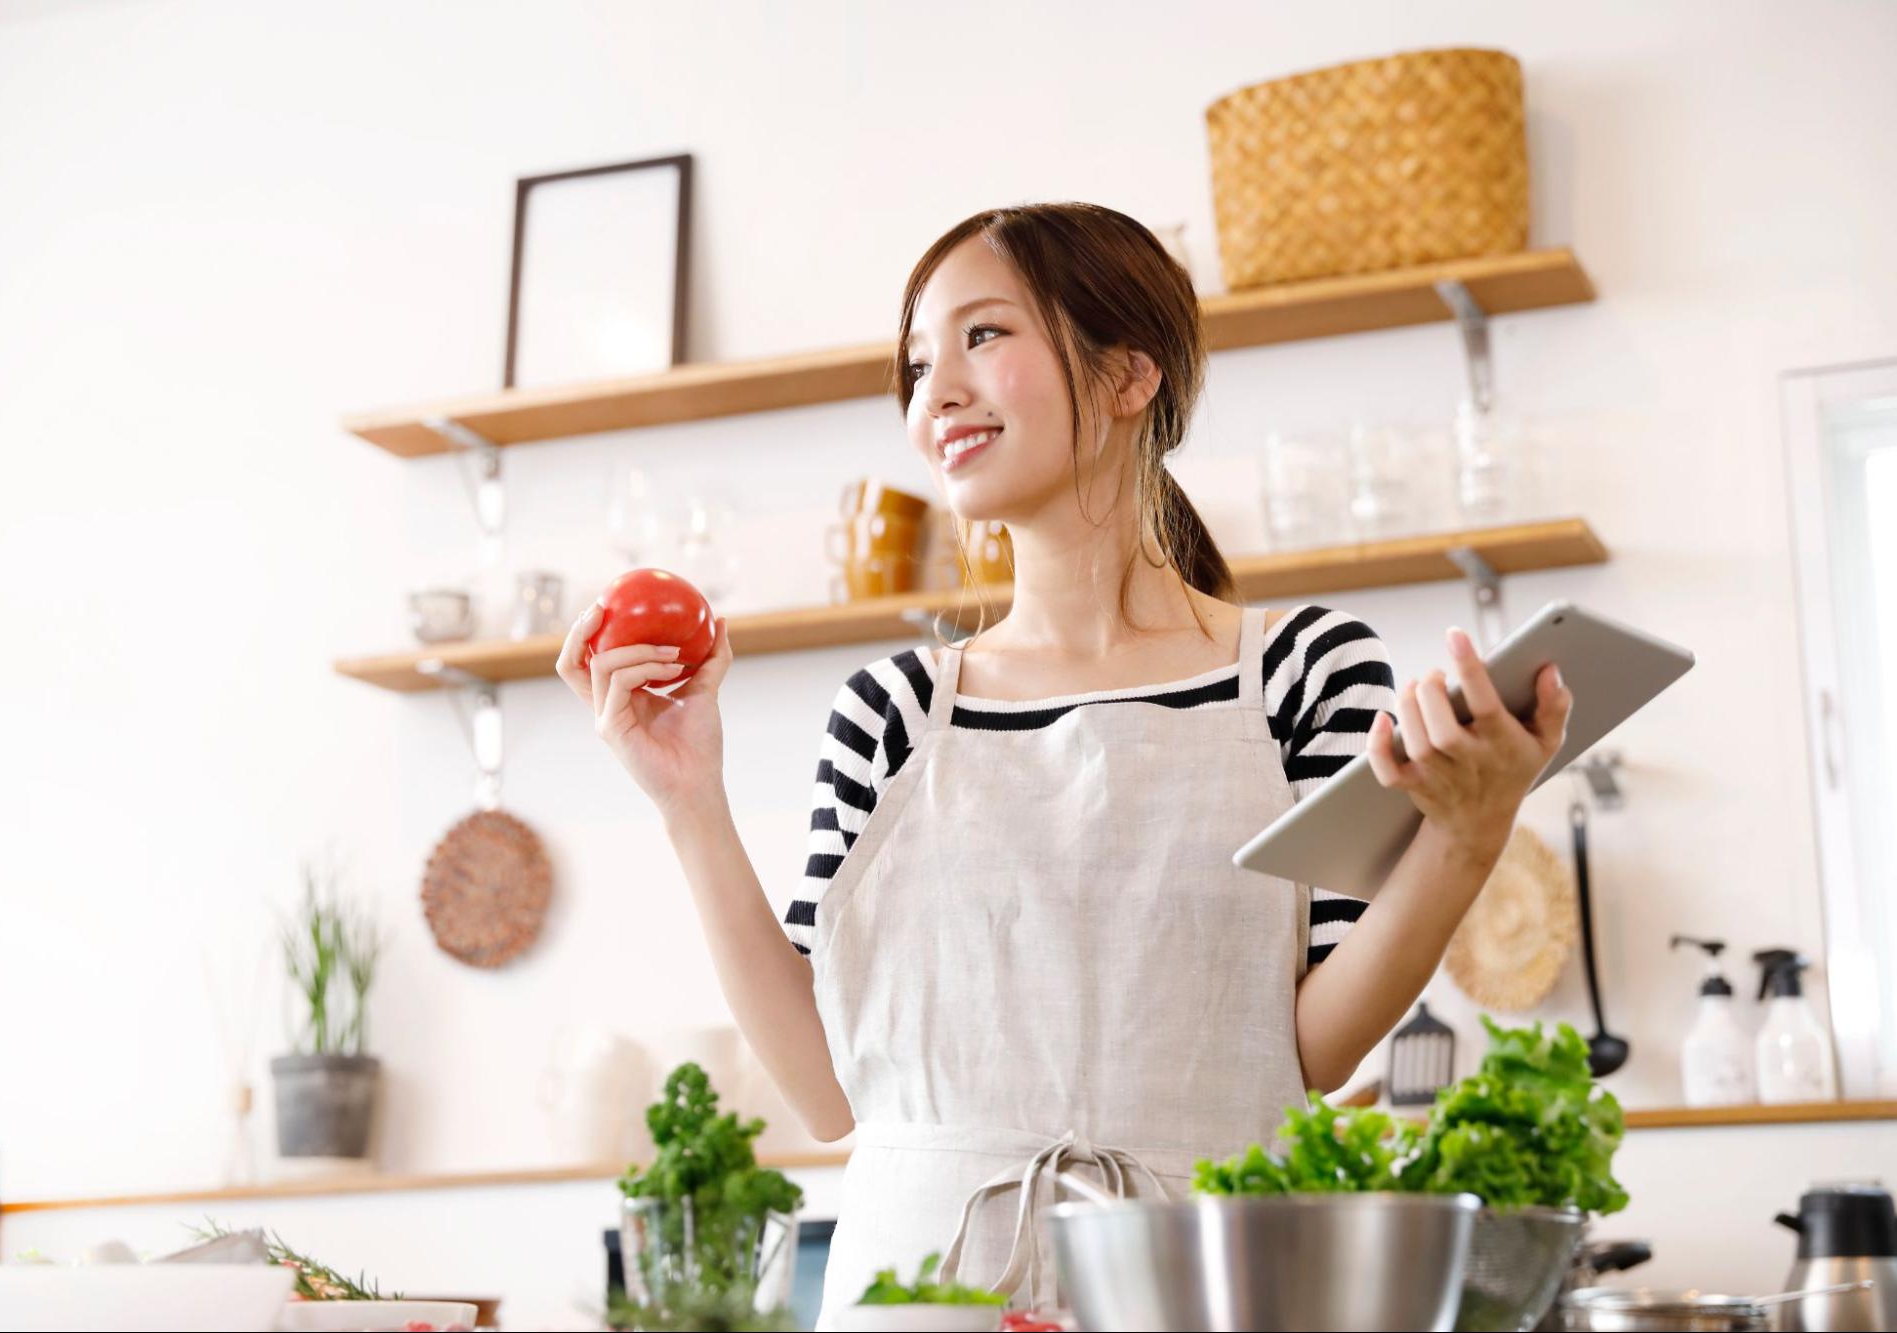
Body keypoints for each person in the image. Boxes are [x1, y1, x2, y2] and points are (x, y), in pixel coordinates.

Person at [555, 202, 1571, 1328]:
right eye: (916, 362)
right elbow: (821, 1085)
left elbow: (1312, 1048)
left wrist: (1469, 830)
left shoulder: (1303, 670)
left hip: (1207, 1277)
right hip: (920, 1290)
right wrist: (688, 799)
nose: (933, 393)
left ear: (1129, 376)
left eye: (983, 336)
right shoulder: (890, 710)